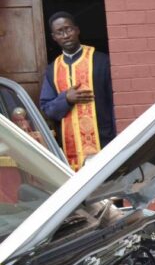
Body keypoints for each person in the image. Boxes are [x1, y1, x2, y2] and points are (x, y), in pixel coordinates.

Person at [39, 11, 115, 170]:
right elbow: (47, 109)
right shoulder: (53, 69)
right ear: (54, 37)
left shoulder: (101, 61)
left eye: (68, 29)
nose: (65, 35)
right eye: (59, 32)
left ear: (77, 30)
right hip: (71, 149)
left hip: (104, 142)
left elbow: (116, 103)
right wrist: (66, 99)